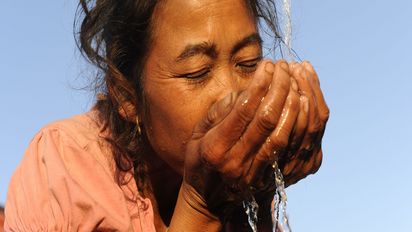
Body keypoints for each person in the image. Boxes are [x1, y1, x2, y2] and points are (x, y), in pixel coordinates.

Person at [4, 0, 329, 231]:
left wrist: (257, 199)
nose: (233, 95)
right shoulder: (63, 169)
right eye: (196, 71)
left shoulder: (237, 185)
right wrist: (202, 208)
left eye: (247, 63)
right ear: (127, 97)